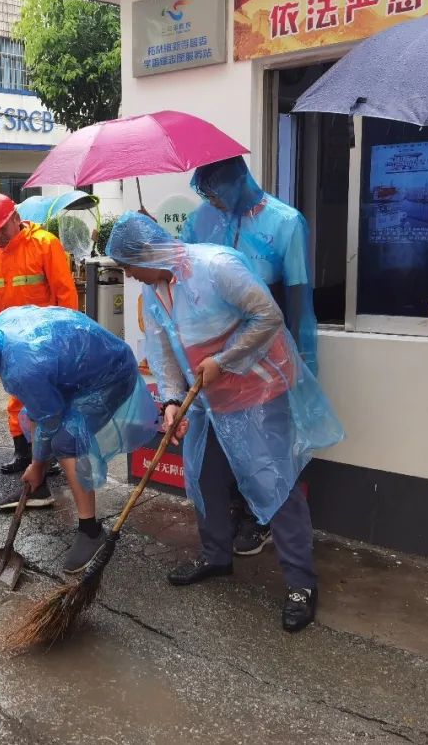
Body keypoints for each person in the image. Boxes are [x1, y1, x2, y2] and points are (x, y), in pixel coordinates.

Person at [107, 213, 343, 632]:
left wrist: (225, 359)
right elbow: (163, 352)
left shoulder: (216, 267)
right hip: (206, 397)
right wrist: (172, 401)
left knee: (274, 483)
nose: (128, 275)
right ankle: (216, 556)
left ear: (146, 253)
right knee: (203, 477)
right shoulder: (153, 291)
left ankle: (301, 584)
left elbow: (267, 317)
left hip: (256, 391)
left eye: (128, 265)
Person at [0, 306, 160, 573]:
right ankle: (39, 487)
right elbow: (40, 412)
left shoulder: (22, 370)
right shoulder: (4, 322)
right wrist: (38, 464)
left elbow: (51, 420)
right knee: (34, 412)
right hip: (81, 369)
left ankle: (91, 530)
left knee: (66, 440)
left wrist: (37, 464)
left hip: (110, 376)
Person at [182, 156, 319, 558]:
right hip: (215, 355)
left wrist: (300, 357)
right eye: (205, 193)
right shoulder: (200, 220)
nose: (211, 200)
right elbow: (181, 272)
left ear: (237, 181)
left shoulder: (285, 222)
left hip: (265, 353)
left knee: (265, 445)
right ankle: (227, 518)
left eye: (215, 191)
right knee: (220, 443)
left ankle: (260, 519)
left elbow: (297, 296)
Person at [0, 193, 80, 485]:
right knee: (16, 396)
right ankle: (22, 453)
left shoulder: (45, 245)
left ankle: (48, 456)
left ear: (15, 218)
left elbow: (65, 294)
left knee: (46, 400)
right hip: (12, 340)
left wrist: (63, 338)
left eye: (2, 229)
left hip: (46, 339)